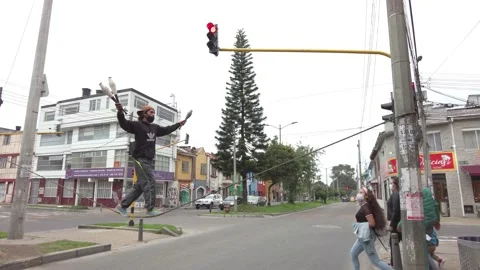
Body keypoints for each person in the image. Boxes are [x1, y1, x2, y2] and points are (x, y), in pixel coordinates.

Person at [115, 103, 186, 216]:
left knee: (140, 186)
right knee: (150, 181)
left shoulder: (154, 128)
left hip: (149, 160)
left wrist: (178, 124)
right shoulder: (137, 125)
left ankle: (122, 206)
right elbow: (124, 124)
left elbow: (167, 130)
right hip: (140, 159)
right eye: (151, 112)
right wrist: (120, 112)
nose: (153, 114)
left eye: (154, 113)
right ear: (144, 114)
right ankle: (150, 209)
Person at [351, 187, 392, 270]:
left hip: (367, 237)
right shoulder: (365, 206)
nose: (359, 194)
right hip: (362, 236)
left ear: (366, 196)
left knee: (375, 261)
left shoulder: (366, 208)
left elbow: (372, 223)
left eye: (361, 192)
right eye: (359, 192)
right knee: (353, 253)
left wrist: (359, 226)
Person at [386, 177, 401, 266]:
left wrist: (391, 224)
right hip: (397, 222)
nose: (390, 185)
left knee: (393, 243)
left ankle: (394, 263)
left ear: (395, 184)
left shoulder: (395, 194)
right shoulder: (396, 193)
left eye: (391, 183)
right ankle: (393, 262)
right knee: (393, 243)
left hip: (396, 224)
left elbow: (395, 210)